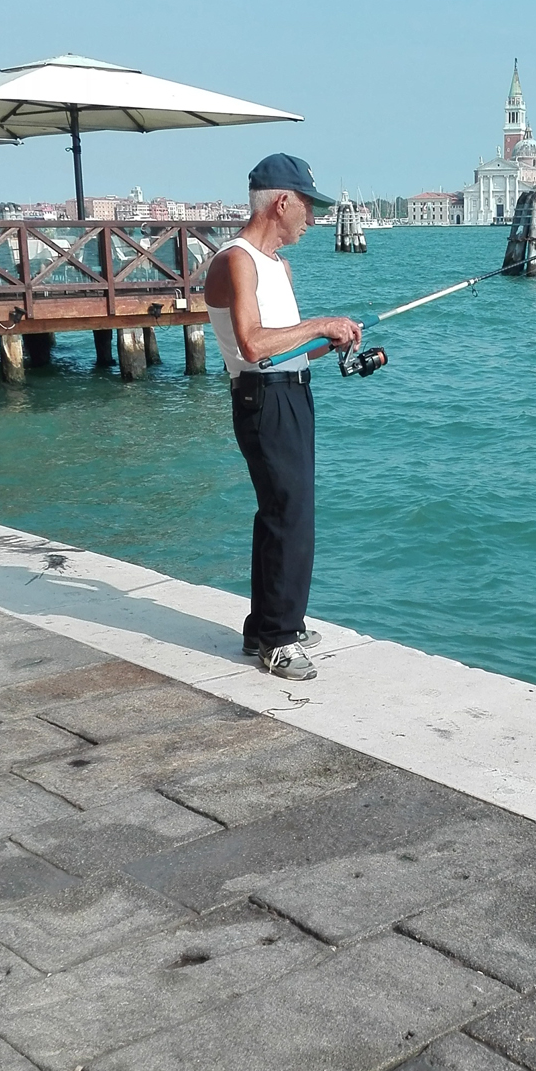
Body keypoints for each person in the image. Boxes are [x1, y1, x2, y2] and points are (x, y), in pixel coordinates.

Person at [204, 153, 361, 680]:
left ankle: (267, 624)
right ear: (282, 201)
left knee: (285, 511)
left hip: (290, 392)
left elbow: (280, 347)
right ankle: (279, 638)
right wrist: (320, 322)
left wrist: (329, 340)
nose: (313, 218)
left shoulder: (276, 264)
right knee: (288, 513)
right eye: (309, 207)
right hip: (261, 398)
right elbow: (251, 345)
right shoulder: (237, 259)